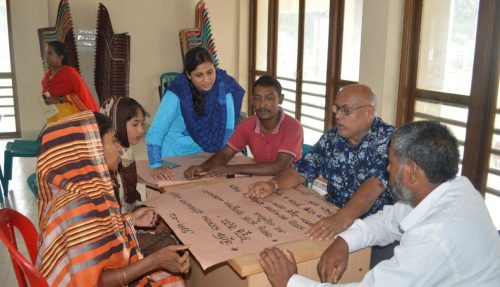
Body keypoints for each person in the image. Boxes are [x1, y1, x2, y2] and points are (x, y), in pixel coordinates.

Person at [258, 121, 500, 287]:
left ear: (412, 172)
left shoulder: (435, 236)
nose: (387, 169)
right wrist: (344, 240)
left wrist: (291, 281)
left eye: (392, 162)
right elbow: (389, 219)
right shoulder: (456, 190)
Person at [36, 111, 189, 287]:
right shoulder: (79, 208)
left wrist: (130, 220)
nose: (120, 148)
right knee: (171, 278)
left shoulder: (79, 188)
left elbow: (96, 232)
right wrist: (154, 261)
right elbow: (95, 282)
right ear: (91, 148)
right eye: (114, 141)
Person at [246, 84, 394, 241]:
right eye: (337, 108)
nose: (338, 115)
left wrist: (341, 219)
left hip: (372, 227)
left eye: (346, 110)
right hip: (332, 213)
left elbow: (375, 184)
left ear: (369, 112)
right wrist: (273, 184)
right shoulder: (332, 138)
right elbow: (303, 168)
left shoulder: (388, 139)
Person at [146, 46, 245, 179]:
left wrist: (222, 159)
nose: (206, 80)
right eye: (199, 75)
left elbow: (228, 129)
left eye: (210, 72)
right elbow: (156, 131)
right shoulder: (177, 93)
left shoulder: (222, 87)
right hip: (173, 155)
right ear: (188, 75)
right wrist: (156, 165)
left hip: (204, 155)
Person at [184, 75, 303, 179]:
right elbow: (226, 153)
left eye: (269, 98)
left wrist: (232, 169)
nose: (262, 104)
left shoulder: (293, 127)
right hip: (260, 179)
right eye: (257, 98)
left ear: (280, 99)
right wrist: (202, 167)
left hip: (289, 182)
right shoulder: (248, 124)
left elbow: (279, 167)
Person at [42, 41, 99, 122]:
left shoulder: (69, 73)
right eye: (46, 53)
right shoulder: (47, 76)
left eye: (50, 53)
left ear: (60, 57)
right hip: (55, 118)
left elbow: (80, 95)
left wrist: (60, 99)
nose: (46, 56)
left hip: (72, 119)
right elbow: (46, 93)